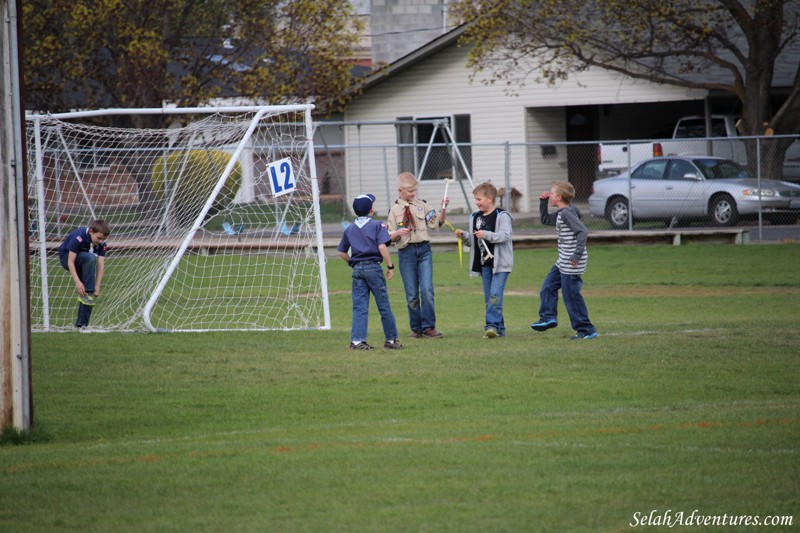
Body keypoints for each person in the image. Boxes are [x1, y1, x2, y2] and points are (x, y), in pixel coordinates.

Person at [531, 181, 598, 340]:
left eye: (552, 193)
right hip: (563, 260)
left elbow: (583, 232)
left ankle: (586, 330)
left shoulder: (567, 213)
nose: (550, 194)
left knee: (571, 296)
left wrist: (576, 255)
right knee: (548, 286)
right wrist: (543, 203)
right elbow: (546, 220)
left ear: (559, 197)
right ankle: (548, 317)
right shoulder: (565, 212)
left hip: (572, 261)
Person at [387, 172, 449, 339]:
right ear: (400, 190)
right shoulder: (394, 210)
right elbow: (388, 236)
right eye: (410, 191)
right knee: (412, 294)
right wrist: (397, 233)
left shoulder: (422, 205)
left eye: (415, 191)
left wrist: (443, 209)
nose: (413, 194)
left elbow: (436, 223)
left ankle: (429, 327)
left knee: (427, 290)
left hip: (424, 251)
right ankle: (416, 329)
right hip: (406, 253)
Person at [338, 193, 404, 351]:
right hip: (373, 267)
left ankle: (357, 341)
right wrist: (390, 266)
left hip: (357, 269)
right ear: (371, 210)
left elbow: (342, 252)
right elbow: (382, 246)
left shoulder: (350, 229)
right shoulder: (377, 225)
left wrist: (353, 263)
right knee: (383, 304)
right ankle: (391, 340)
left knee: (360, 306)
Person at [455, 182, 514, 338]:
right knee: (490, 298)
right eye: (475, 199)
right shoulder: (475, 217)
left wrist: (487, 234)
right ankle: (500, 329)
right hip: (485, 265)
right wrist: (465, 236)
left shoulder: (502, 216)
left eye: (479, 199)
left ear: (489, 199)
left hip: (500, 264)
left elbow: (505, 236)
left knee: (495, 295)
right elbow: (474, 242)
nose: (476, 202)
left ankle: (491, 326)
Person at [58, 219, 111, 329]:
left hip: (85, 261)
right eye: (99, 238)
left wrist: (97, 286)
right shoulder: (78, 236)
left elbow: (101, 264)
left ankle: (82, 325)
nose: (101, 241)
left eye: (103, 239)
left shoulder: (102, 243)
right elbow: (70, 261)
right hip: (67, 259)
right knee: (90, 257)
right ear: (91, 231)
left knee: (88, 292)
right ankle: (88, 292)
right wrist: (77, 282)